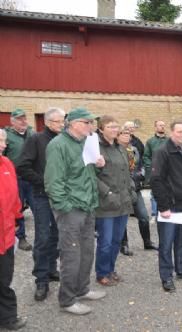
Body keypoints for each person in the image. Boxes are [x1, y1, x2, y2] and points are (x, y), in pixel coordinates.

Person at [44, 108, 106, 315]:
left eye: (91, 122)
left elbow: (85, 174)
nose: (91, 126)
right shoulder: (58, 145)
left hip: (88, 205)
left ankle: (82, 288)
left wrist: (98, 164)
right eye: (86, 122)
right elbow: (53, 182)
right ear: (73, 124)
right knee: (71, 254)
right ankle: (67, 300)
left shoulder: (86, 143)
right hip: (71, 209)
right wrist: (65, 207)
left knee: (87, 250)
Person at [17, 107, 65, 301]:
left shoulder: (64, 140)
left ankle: (52, 269)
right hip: (42, 196)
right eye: (58, 121)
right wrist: (43, 182)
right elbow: (22, 166)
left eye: (63, 121)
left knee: (56, 235)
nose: (62, 124)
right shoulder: (35, 140)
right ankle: (41, 280)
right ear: (47, 122)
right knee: (43, 237)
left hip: (60, 196)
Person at [151, 120, 182, 293]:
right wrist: (163, 206)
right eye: (179, 132)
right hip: (170, 207)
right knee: (166, 243)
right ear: (172, 133)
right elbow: (156, 181)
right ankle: (166, 276)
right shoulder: (162, 152)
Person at [94, 116, 135, 287]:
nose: (114, 129)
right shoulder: (95, 148)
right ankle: (102, 273)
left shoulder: (120, 148)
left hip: (123, 202)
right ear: (101, 129)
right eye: (110, 126)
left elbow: (127, 173)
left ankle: (110, 269)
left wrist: (131, 191)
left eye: (116, 126)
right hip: (106, 203)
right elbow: (92, 176)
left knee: (117, 240)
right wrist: (108, 193)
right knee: (105, 241)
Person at [0, 129, 27, 330]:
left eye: (4, 141)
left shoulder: (7, 164)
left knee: (4, 278)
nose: (3, 145)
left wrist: (17, 218)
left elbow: (14, 197)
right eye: (0, 141)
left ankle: (7, 317)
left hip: (6, 233)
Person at [117, 128, 158, 256]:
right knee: (123, 218)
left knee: (144, 217)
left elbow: (139, 167)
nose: (126, 136)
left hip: (135, 188)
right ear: (117, 136)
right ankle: (124, 244)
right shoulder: (115, 150)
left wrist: (141, 175)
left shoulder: (133, 150)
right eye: (123, 134)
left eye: (128, 134)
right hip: (121, 190)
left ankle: (147, 242)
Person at [3, 108, 35, 251]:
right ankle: (21, 237)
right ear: (12, 121)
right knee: (18, 208)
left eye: (24, 118)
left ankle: (44, 236)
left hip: (32, 178)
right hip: (15, 179)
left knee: (38, 207)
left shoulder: (32, 133)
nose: (23, 121)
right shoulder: (7, 136)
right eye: (19, 119)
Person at [143, 120, 168, 222]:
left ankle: (164, 213)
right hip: (155, 171)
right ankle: (154, 214)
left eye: (163, 125)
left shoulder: (169, 141)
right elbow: (146, 156)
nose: (162, 127)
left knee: (167, 192)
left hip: (168, 171)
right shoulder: (150, 141)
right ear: (155, 127)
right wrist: (152, 166)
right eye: (160, 125)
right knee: (154, 193)